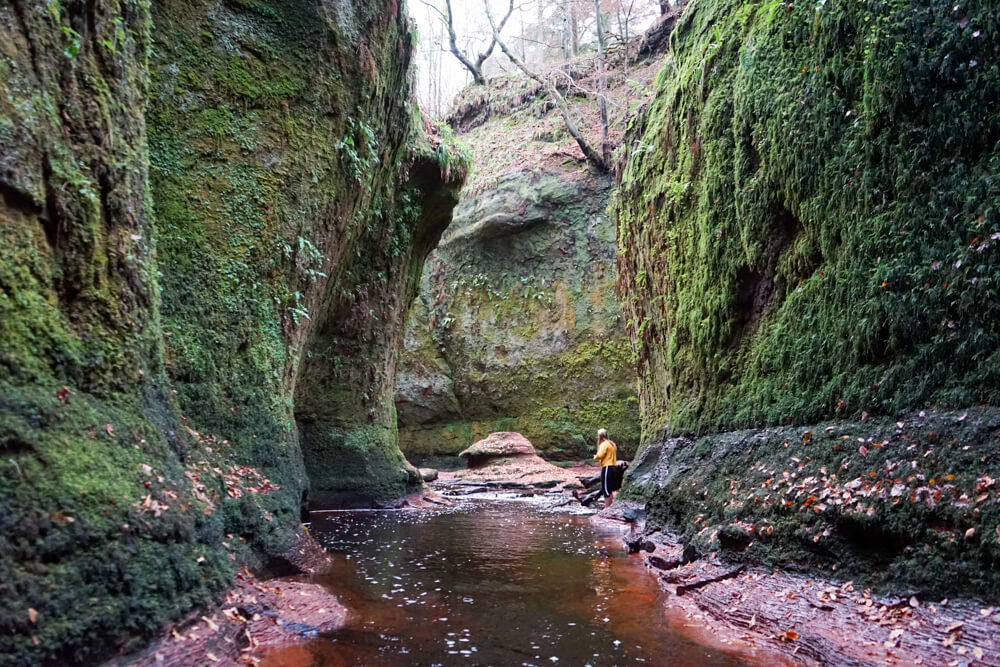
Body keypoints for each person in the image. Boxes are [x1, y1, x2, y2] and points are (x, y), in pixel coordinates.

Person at [593, 428, 618, 509]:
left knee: (606, 488)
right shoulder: (612, 443)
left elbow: (600, 455)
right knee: (610, 488)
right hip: (613, 466)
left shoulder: (604, 444)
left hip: (607, 467)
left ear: (599, 436)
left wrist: (595, 457)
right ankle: (610, 507)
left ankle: (607, 508)